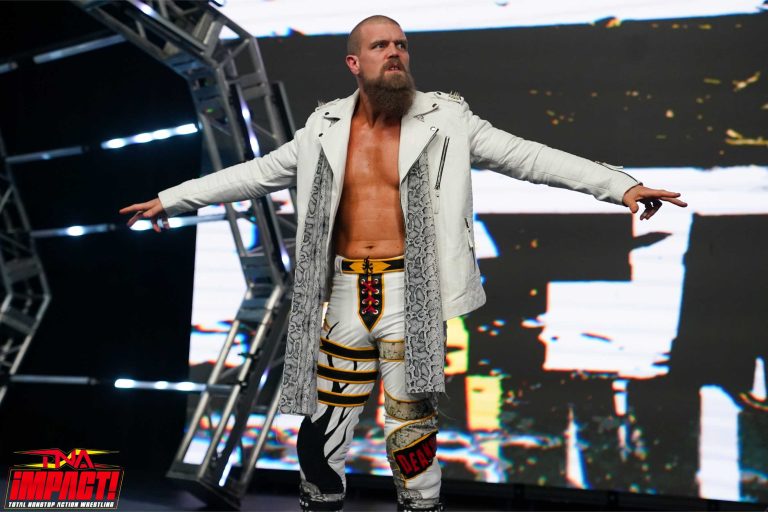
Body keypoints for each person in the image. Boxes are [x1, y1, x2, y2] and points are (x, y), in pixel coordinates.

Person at [120, 15, 687, 512]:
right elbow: (257, 173)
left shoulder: (448, 119)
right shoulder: (324, 127)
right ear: (354, 62)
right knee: (323, 429)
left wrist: (621, 186)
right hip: (344, 293)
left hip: (411, 293)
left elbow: (530, 158)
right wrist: (173, 199)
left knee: (411, 426)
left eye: (401, 45)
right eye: (380, 46)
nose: (394, 53)